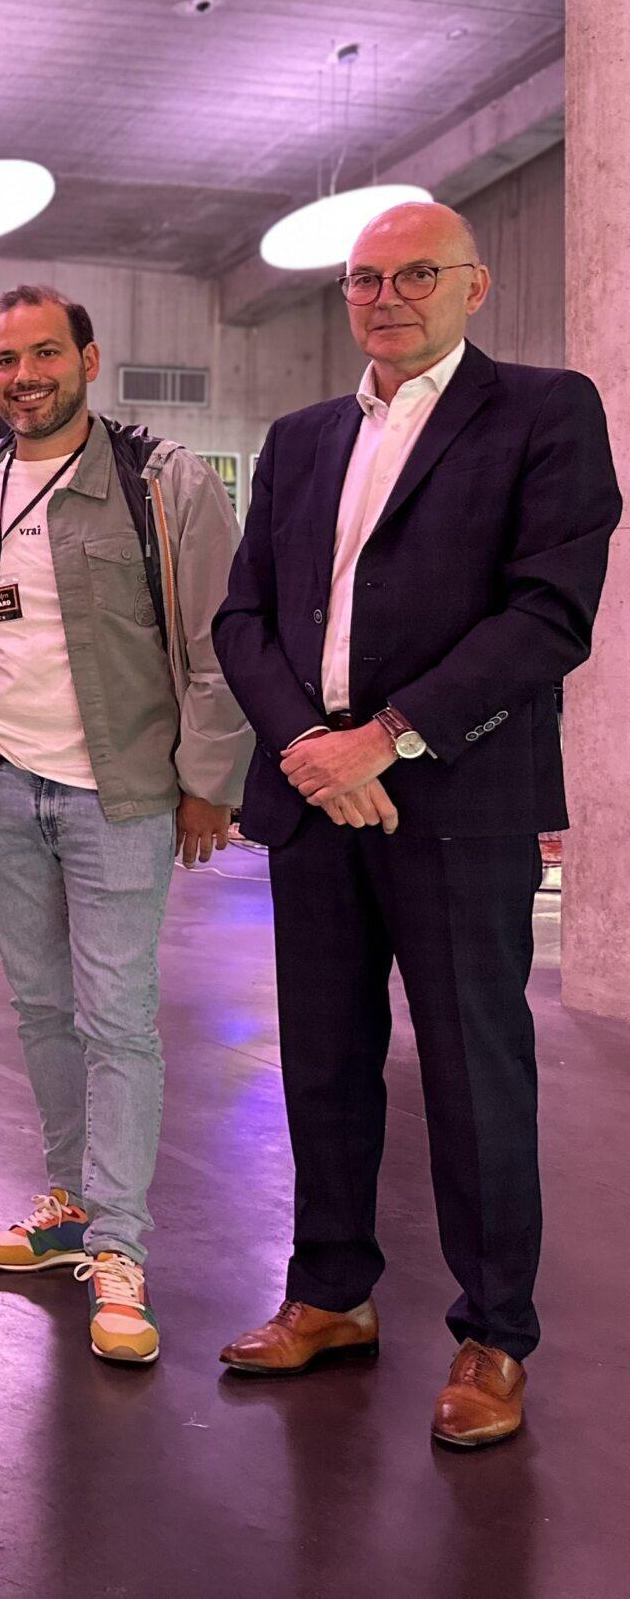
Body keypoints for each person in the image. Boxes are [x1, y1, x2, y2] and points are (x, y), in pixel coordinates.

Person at [212, 203, 618, 1448]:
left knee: (472, 1069)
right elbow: (245, 621)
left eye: (415, 275)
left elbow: (550, 616)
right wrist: (311, 752)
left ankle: (494, 1335)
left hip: (454, 798)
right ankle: (330, 1291)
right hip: (316, 793)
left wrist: (381, 739)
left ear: (473, 287)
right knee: (322, 1061)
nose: (387, 296)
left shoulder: (545, 413)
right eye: (364, 279)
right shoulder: (298, 438)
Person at [0, 286, 251, 1366]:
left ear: (88, 358)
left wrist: (210, 781)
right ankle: (68, 1199)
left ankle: (119, 1244)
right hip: (1, 789)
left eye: (43, 354)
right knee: (39, 1009)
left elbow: (217, 644)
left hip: (118, 792)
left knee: (115, 1017)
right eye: (4, 359)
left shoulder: (162, 482)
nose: (24, 376)